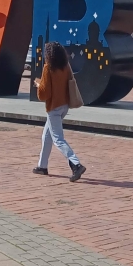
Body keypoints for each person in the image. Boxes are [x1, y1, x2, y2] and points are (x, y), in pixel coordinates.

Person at [33, 41, 85, 182]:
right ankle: (42, 166)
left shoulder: (47, 68)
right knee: (46, 136)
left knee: (58, 139)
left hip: (54, 107)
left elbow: (44, 94)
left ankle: (76, 164)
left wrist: (38, 85)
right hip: (65, 105)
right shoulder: (66, 66)